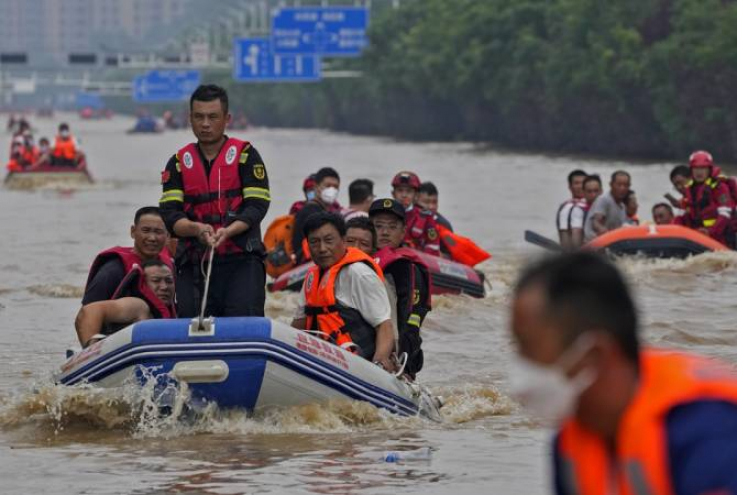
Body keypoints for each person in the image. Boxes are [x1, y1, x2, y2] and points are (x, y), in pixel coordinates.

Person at [509, 252, 737, 495]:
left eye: (530, 349)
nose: (523, 370)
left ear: (594, 354)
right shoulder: (570, 446)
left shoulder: (707, 430)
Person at [159, 84, 270, 317]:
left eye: (212, 117)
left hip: (241, 261)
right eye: (199, 117)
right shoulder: (178, 162)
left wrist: (228, 231)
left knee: (242, 327)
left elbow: (257, 206)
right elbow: (170, 215)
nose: (205, 124)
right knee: (192, 326)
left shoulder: (246, 156)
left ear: (226, 118)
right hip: (194, 262)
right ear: (190, 119)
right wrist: (196, 229)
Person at [291, 212, 396, 371]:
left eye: (329, 241)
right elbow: (298, 325)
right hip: (323, 359)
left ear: (342, 240)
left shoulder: (359, 274)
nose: (322, 249)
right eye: (314, 242)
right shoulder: (312, 277)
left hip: (357, 363)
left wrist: (380, 361)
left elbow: (384, 325)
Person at [370, 198, 431, 378]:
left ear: (403, 231)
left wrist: (406, 365)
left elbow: (411, 320)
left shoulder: (408, 268)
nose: (385, 232)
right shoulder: (361, 261)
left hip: (393, 352)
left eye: (392, 227)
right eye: (378, 226)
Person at [75, 259, 176, 348]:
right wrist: (91, 351)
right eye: (156, 281)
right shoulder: (138, 306)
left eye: (169, 281)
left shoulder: (175, 311)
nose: (164, 287)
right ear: (143, 284)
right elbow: (89, 311)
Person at [83, 207, 172, 305]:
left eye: (158, 232)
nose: (152, 238)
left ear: (167, 236)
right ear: (133, 232)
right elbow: (85, 314)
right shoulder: (112, 271)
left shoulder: (169, 268)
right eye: (146, 231)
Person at [675, 150, 734, 246]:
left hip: (719, 237)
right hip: (696, 236)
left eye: (703, 168)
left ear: (709, 169)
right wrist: (674, 232)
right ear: (691, 170)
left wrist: (709, 232)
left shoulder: (719, 187)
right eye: (696, 168)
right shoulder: (689, 189)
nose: (699, 172)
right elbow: (680, 215)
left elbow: (725, 214)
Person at [291, 167, 341, 265]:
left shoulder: (325, 211)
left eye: (335, 187)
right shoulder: (310, 211)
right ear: (316, 187)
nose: (332, 190)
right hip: (307, 263)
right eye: (328, 185)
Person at [391, 171, 442, 256]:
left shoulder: (426, 217)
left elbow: (433, 244)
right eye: (400, 190)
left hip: (418, 262)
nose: (404, 195)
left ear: (416, 195)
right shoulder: (385, 213)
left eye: (408, 191)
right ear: (393, 194)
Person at [583, 171, 631, 242]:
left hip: (611, 243)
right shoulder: (604, 199)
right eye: (619, 185)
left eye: (625, 185)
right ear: (611, 185)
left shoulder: (622, 207)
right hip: (593, 243)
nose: (622, 188)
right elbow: (596, 222)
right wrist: (602, 229)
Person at [557, 170, 588, 249]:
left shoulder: (595, 204)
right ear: (570, 187)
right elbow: (563, 232)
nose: (580, 186)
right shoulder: (566, 207)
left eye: (583, 183)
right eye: (577, 183)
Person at [569, 175, 602, 248]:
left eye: (596, 191)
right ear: (584, 193)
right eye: (589, 192)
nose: (593, 195)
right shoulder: (579, 210)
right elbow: (576, 233)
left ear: (601, 191)